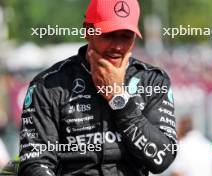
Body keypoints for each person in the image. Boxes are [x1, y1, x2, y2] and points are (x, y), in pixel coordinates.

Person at [19, 0, 177, 175]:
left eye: (126, 36)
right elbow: (35, 164)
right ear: (87, 30)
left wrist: (120, 100)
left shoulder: (153, 81)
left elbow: (162, 159)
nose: (117, 46)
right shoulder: (47, 86)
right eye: (109, 34)